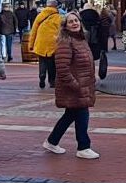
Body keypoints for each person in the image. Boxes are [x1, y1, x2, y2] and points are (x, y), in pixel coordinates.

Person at [41, 11, 100, 159]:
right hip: (75, 87)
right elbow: (62, 68)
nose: (74, 23)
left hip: (83, 85)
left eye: (76, 20)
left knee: (70, 115)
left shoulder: (81, 40)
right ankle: (83, 146)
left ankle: (52, 141)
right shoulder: (65, 42)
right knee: (82, 114)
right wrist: (76, 85)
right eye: (70, 22)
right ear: (65, 26)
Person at [27, 0, 62, 88]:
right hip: (53, 43)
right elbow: (61, 32)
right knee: (52, 63)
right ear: (56, 6)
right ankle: (52, 81)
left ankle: (42, 75)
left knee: (42, 61)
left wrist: (31, 44)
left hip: (41, 42)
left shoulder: (40, 16)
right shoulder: (58, 17)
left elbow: (33, 31)